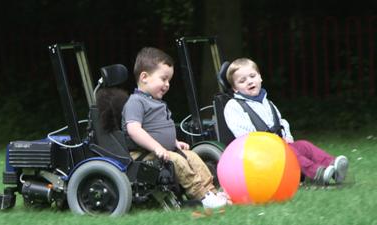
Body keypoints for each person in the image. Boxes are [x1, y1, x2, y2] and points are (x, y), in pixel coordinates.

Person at [121, 47, 227, 208]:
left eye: (169, 80)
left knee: (192, 157)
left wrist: (175, 142)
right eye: (163, 79)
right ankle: (202, 196)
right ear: (144, 77)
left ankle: (211, 192)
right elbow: (134, 130)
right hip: (142, 154)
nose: (167, 84)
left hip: (164, 150)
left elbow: (161, 129)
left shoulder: (158, 103)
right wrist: (157, 147)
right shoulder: (136, 101)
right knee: (178, 160)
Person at [223, 57, 349, 185]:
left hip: (278, 146)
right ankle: (317, 173)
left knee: (304, 146)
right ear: (235, 89)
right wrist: (272, 142)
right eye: (242, 81)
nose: (249, 82)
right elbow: (243, 134)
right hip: (257, 153)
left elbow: (281, 122)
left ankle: (333, 167)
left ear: (260, 78)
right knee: (288, 151)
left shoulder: (267, 102)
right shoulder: (233, 106)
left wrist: (287, 137)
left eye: (252, 76)